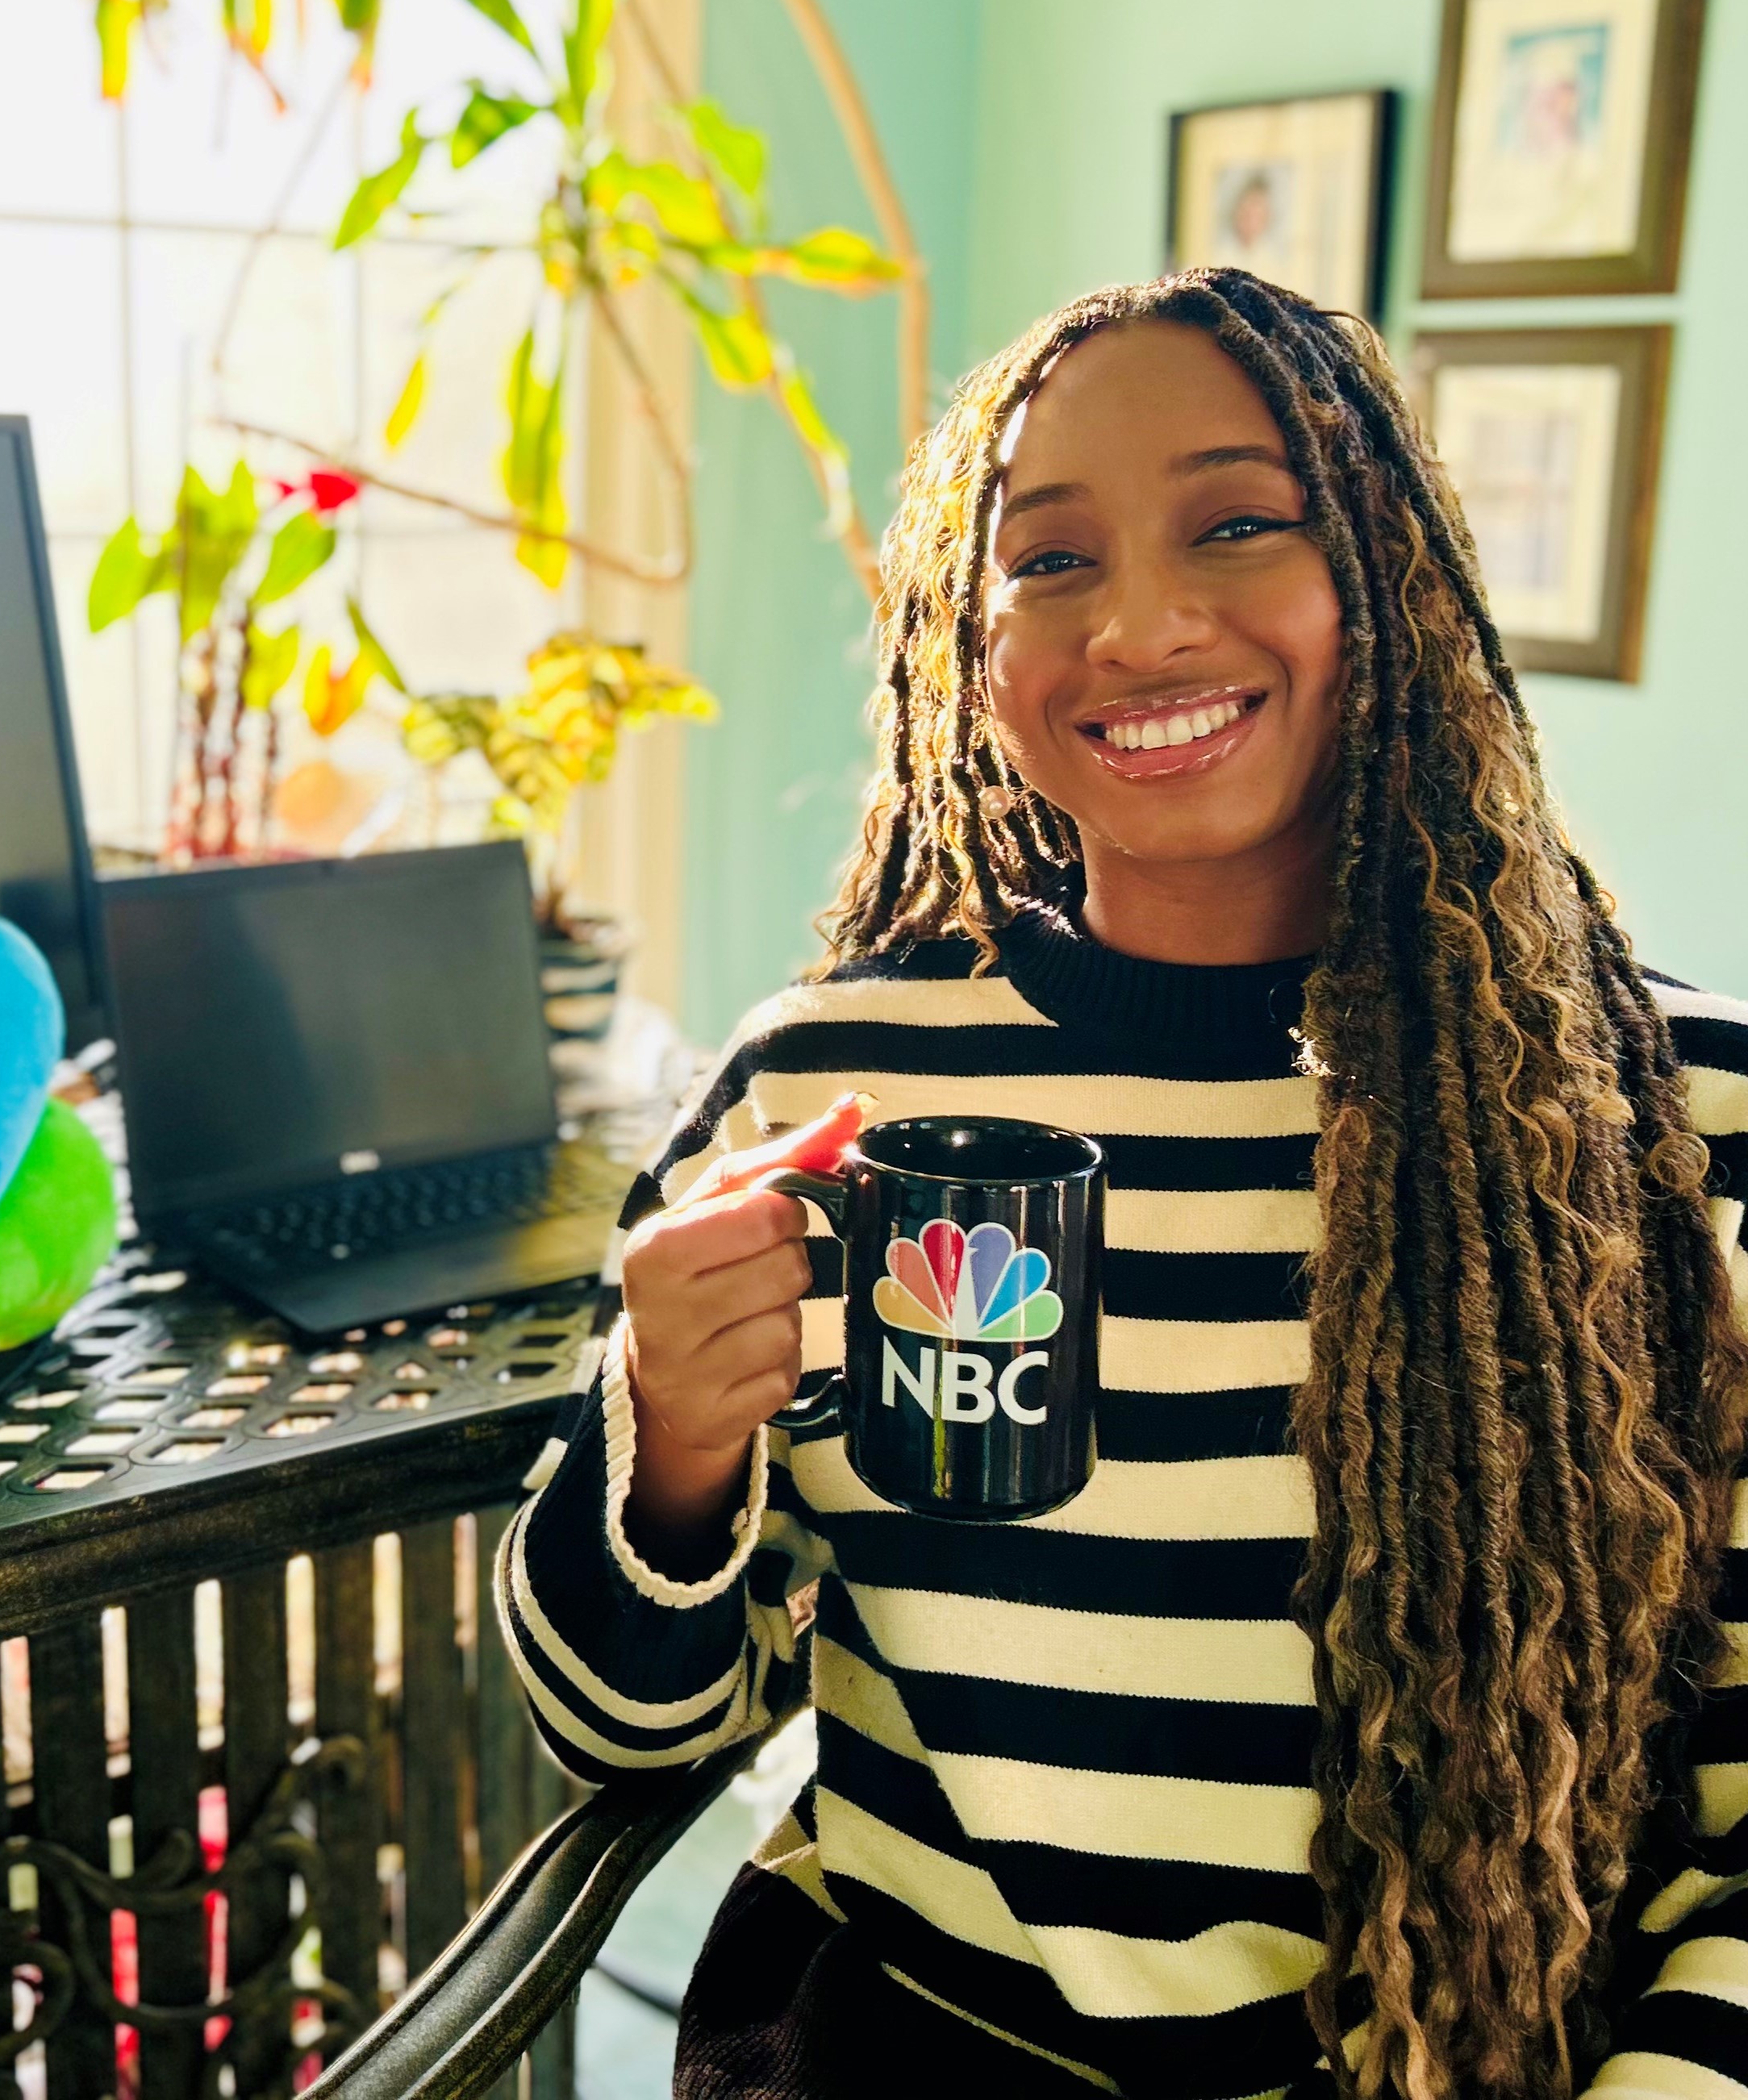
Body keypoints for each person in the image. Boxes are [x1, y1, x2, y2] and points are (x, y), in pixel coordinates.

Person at [495, 266, 1748, 2099]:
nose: (1141, 626)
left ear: (1390, 575)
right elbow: (621, 1736)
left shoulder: (1671, 1128)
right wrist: (671, 1436)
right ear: (967, 637)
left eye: (1240, 524)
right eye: (1049, 559)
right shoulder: (824, 1091)